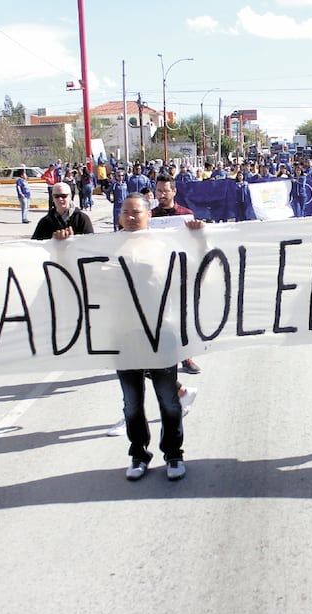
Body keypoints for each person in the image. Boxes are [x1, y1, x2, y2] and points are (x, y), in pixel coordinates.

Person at [111, 193, 203, 481]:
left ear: (148, 215)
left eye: (136, 211)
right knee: (132, 403)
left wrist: (197, 239)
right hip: (125, 335)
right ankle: (139, 454)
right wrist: (63, 246)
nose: (130, 216)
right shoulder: (108, 247)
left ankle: (173, 455)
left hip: (161, 332)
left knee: (168, 400)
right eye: (125, 211)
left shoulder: (164, 245)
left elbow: (193, 268)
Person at [153, 174, 202, 374]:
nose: (162, 194)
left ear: (174, 191)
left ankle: (186, 357)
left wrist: (196, 231)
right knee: (158, 318)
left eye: (165, 190)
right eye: (158, 191)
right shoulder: (149, 216)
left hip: (179, 273)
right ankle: (156, 359)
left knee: (181, 317)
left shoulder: (185, 215)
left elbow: (194, 244)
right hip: (155, 274)